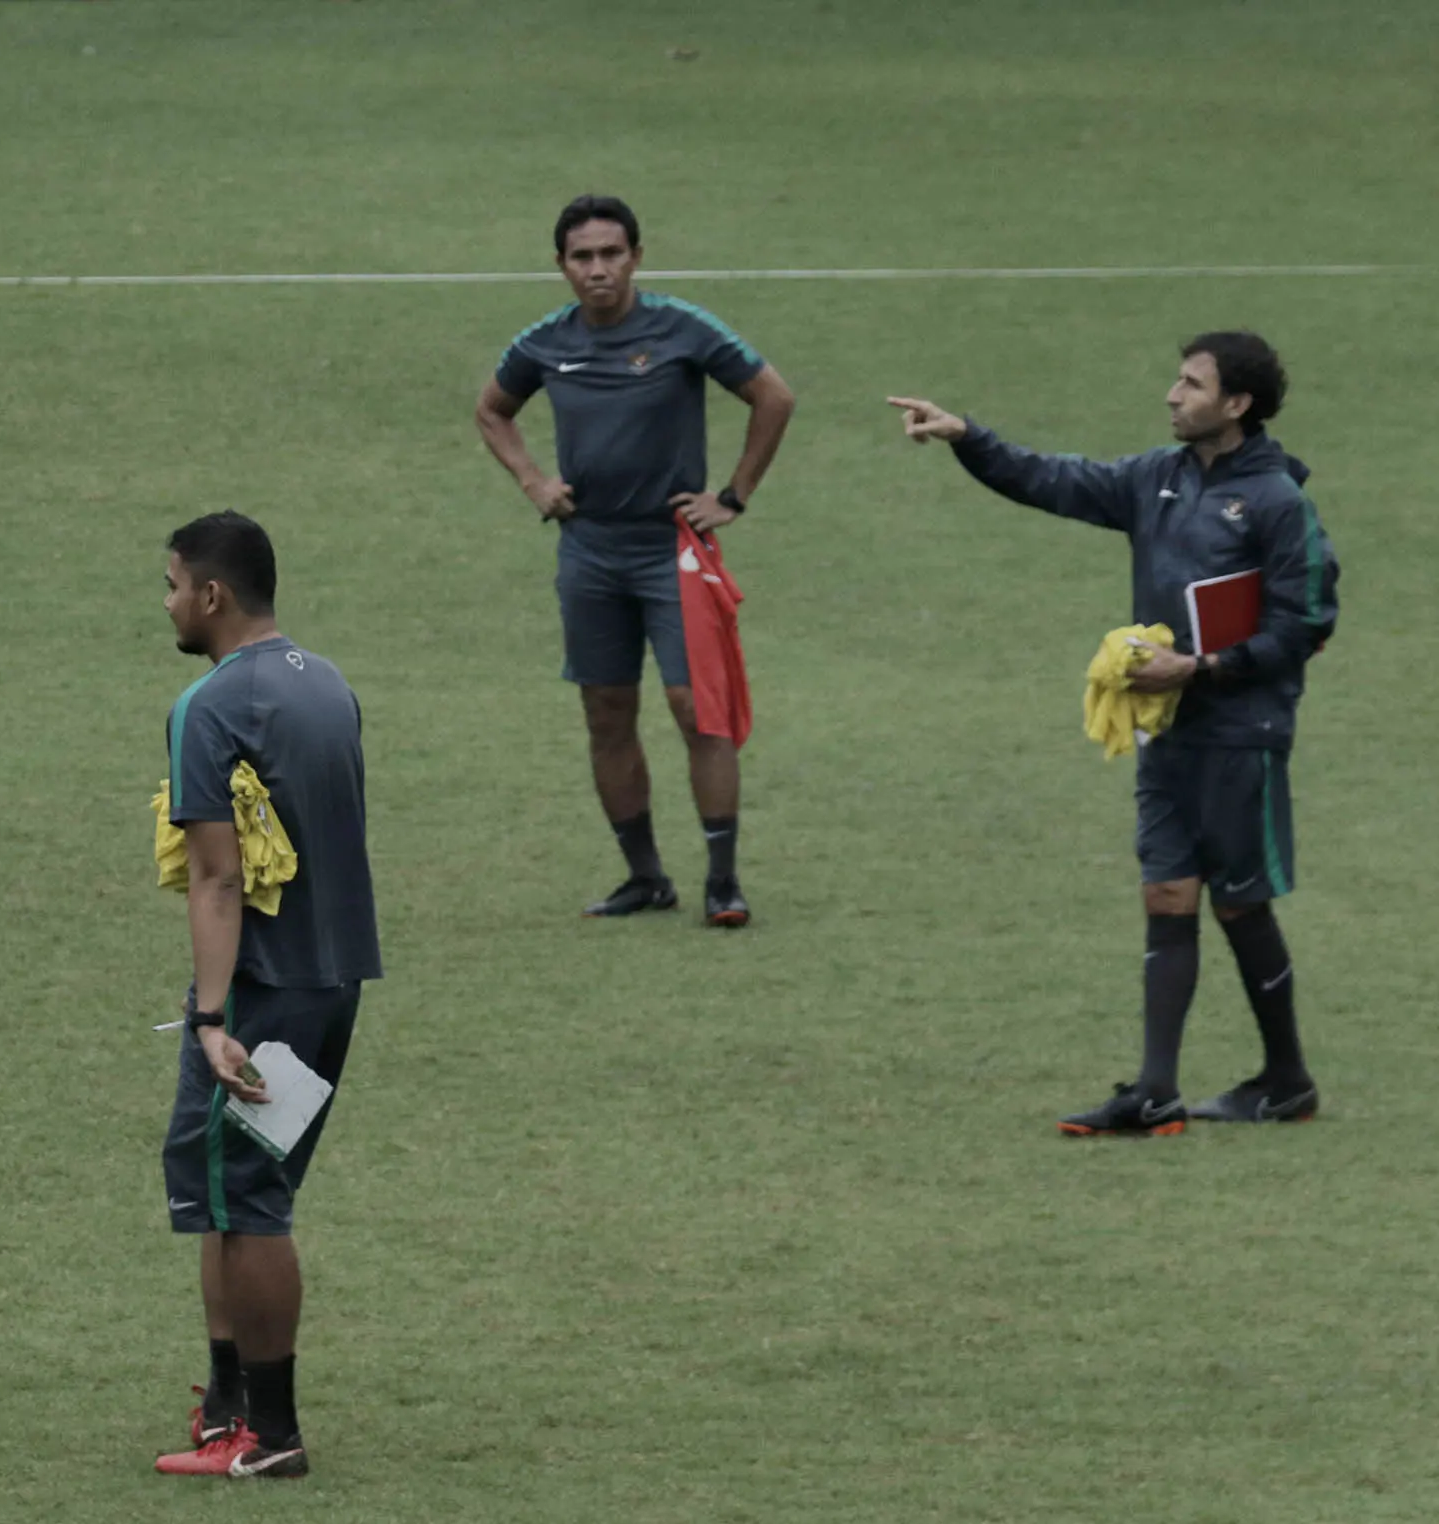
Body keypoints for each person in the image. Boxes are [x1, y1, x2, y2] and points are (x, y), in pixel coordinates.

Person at [891, 333, 1339, 1135]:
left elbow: (1306, 623)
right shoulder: (1154, 478)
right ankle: (1156, 1091)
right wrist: (968, 437)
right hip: (1163, 726)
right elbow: (1052, 478)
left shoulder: (1276, 502)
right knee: (1167, 891)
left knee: (1239, 904)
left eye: (1192, 384)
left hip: (1242, 731)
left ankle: (1288, 1080)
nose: (1172, 394)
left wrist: (1199, 666)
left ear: (1236, 405)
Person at [474, 194, 795, 926]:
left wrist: (733, 497)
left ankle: (722, 880)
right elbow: (492, 409)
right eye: (582, 257)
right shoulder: (544, 341)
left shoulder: (682, 330)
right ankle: (646, 876)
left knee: (695, 709)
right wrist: (533, 480)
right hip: (589, 551)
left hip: (672, 550)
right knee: (606, 709)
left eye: (612, 254)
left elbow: (773, 396)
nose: (598, 270)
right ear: (561, 265)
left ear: (637, 258)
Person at [147, 512, 378, 1481]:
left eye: (170, 584)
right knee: (224, 1190)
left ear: (212, 595)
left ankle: (272, 1435)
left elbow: (216, 876)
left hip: (261, 988)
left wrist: (208, 1017)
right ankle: (228, 1406)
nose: (164, 602)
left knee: (250, 1199)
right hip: (333, 977)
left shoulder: (209, 706)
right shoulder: (327, 682)